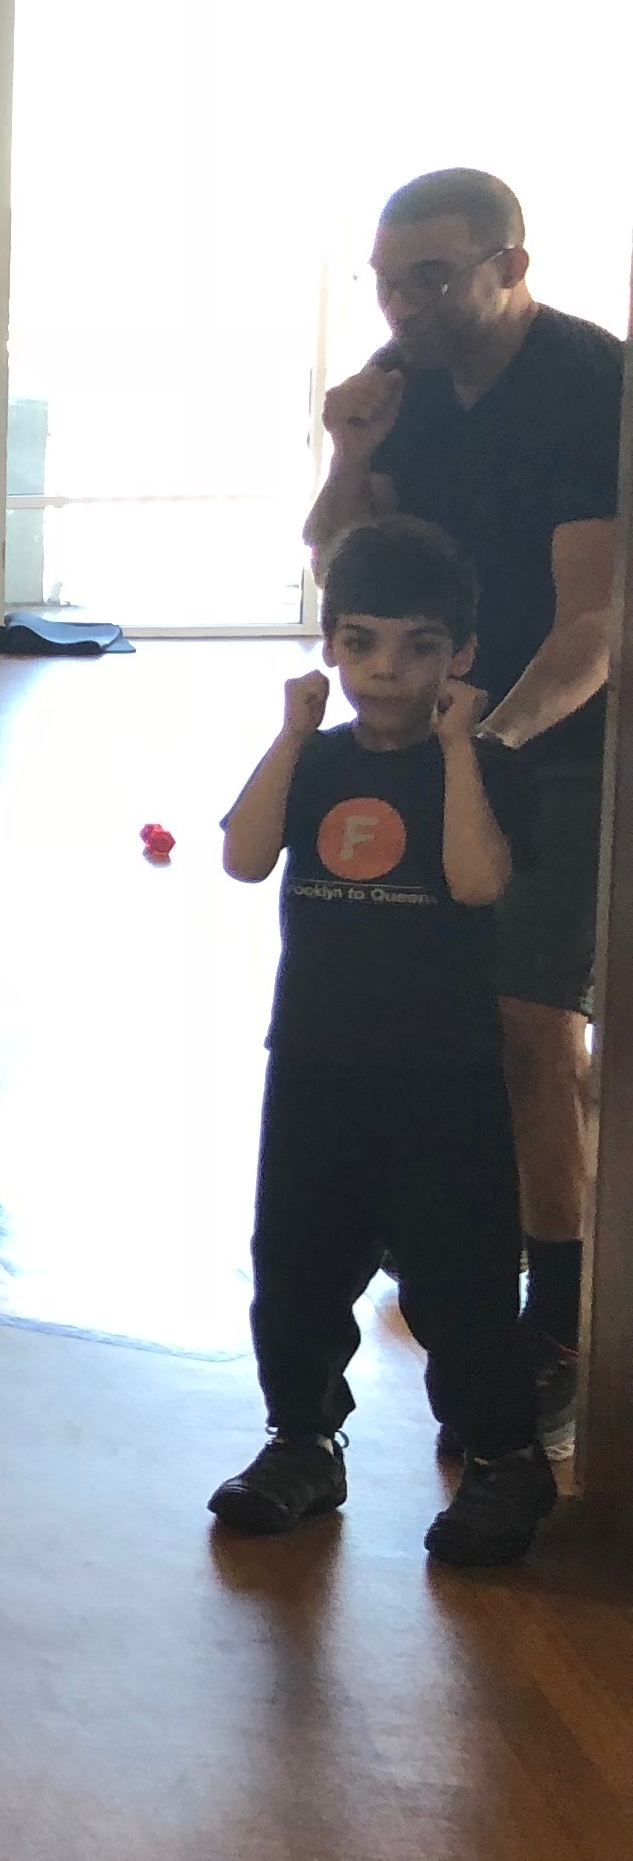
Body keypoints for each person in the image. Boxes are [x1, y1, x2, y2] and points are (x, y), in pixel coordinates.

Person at [305, 167, 616, 1443]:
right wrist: (351, 451)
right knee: (429, 1002)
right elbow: (344, 563)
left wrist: (482, 750)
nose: (406, 306)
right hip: (442, 731)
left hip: (568, 736)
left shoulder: (591, 383)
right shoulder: (409, 388)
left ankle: (565, 1313)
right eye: (389, 283)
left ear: (510, 265)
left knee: (533, 1022)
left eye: (432, 278)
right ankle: (449, 1224)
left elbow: (593, 621)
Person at [207, 517, 550, 1566]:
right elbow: (244, 857)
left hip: (443, 1075)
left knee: (460, 1277)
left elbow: (477, 882)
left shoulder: (485, 767)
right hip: (315, 1062)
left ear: (462, 658)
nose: (385, 672)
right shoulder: (315, 761)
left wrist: (457, 750)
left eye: (418, 647)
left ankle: (503, 1459)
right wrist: (290, 735)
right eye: (360, 644)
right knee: (296, 1265)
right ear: (331, 647)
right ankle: (303, 1443)